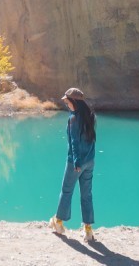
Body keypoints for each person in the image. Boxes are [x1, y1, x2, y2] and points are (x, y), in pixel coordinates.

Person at [49, 87, 97, 242]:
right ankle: (88, 230)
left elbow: (74, 142)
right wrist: (87, 159)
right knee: (86, 195)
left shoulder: (73, 119)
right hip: (89, 162)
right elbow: (91, 141)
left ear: (74, 101)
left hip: (75, 162)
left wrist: (76, 161)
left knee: (66, 191)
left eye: (67, 101)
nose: (66, 103)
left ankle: (58, 222)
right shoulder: (90, 116)